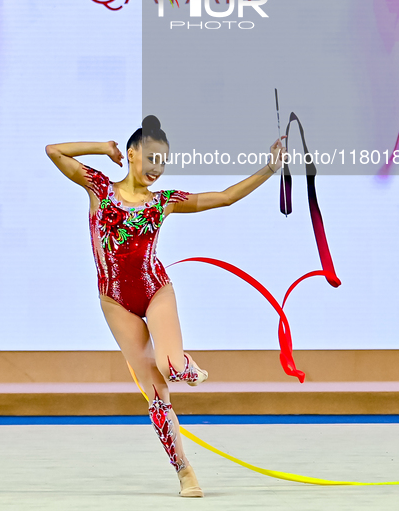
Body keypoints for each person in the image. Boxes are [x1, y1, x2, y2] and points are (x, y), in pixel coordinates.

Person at [45, 115, 284, 498]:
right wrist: (103, 147)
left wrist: (269, 169)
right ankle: (185, 471)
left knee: (170, 366)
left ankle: (183, 365)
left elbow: (223, 197)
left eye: (163, 162)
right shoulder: (99, 187)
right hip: (115, 301)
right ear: (133, 154)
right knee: (157, 394)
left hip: (155, 290)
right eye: (151, 158)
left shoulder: (164, 203)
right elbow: (53, 151)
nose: (157, 169)